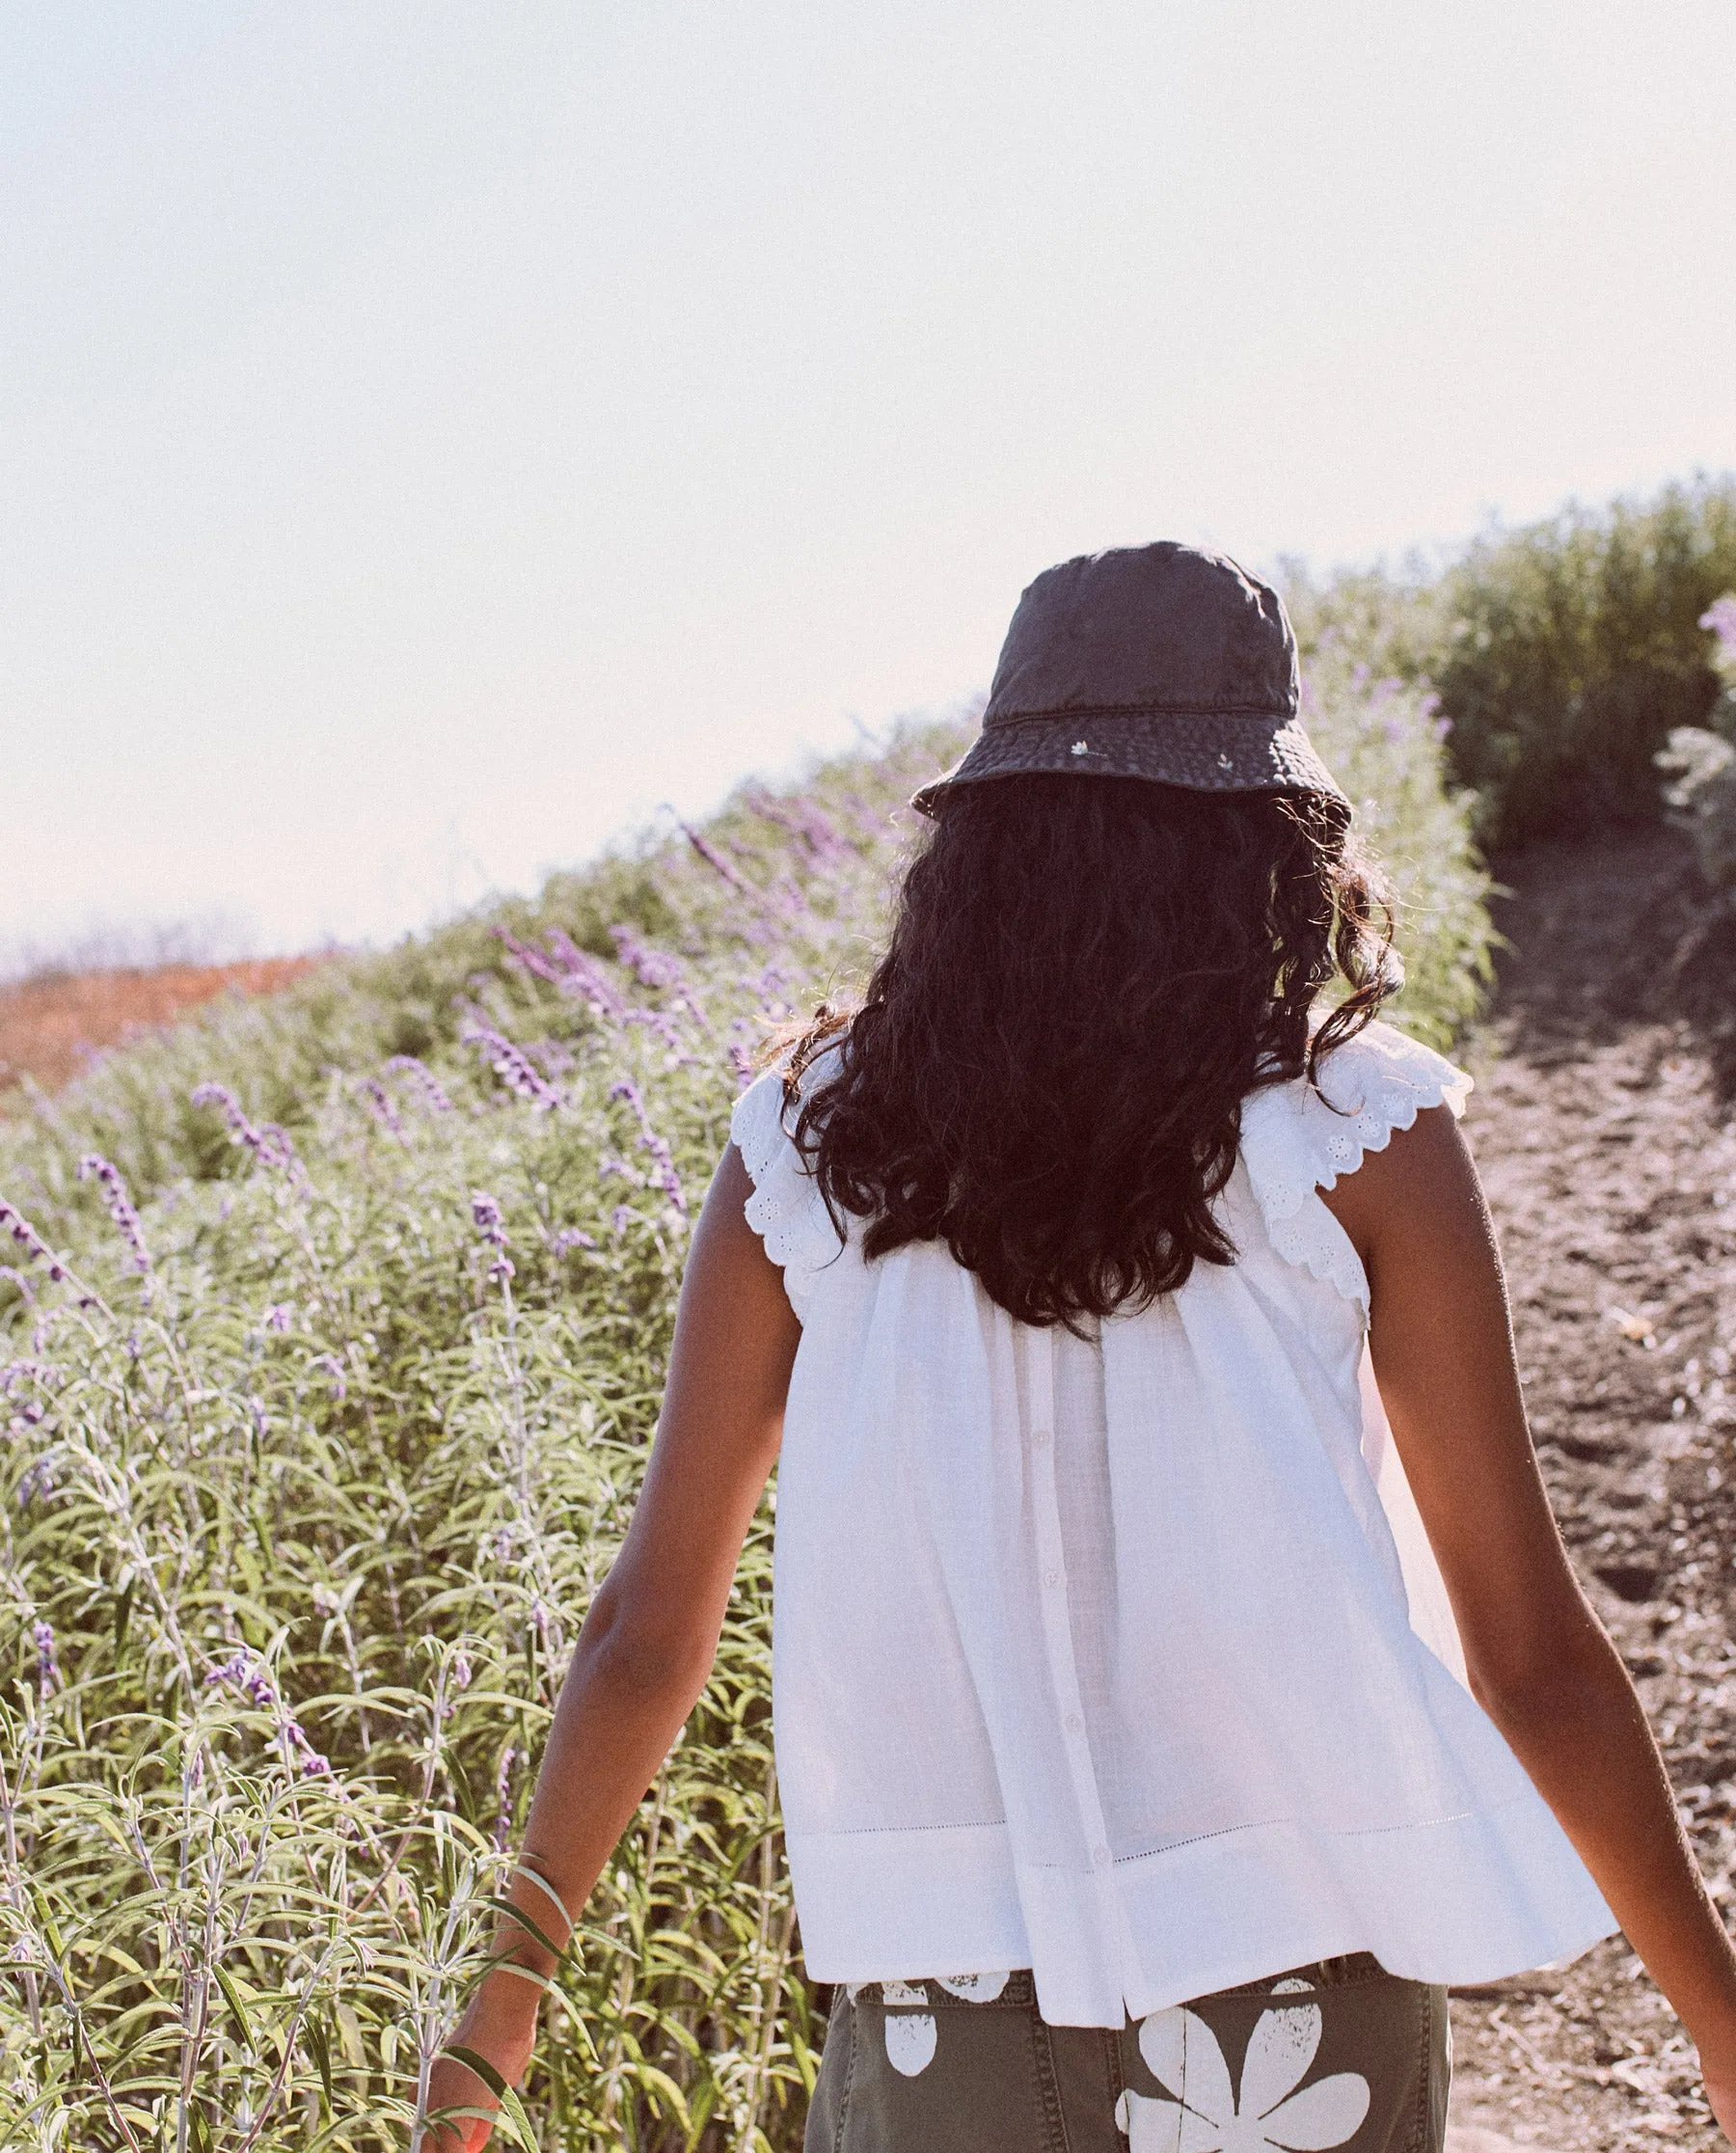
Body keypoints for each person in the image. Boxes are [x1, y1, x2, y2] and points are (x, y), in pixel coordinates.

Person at [425, 544, 1736, 2152]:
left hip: (940, 2025)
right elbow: (1524, 1648)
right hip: (1297, 2008)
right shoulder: (1358, 1131)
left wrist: (504, 2005)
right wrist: (1717, 2016)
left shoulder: (808, 1149)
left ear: (978, 842)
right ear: (1276, 841)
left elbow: (645, 1629)